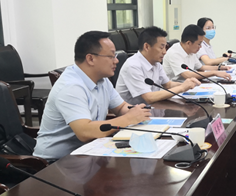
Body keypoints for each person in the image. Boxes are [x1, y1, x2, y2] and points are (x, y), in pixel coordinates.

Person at [33, 31, 151, 162]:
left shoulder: (102, 80)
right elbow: (84, 132)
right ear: (90, 59)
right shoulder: (70, 87)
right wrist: (129, 118)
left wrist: (137, 112)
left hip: (88, 151)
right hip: (57, 162)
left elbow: (121, 107)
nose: (116, 60)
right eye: (111, 56)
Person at [116, 26, 200, 104]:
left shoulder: (156, 63)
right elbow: (149, 97)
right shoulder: (133, 66)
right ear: (147, 47)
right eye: (161, 47)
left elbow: (168, 85)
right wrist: (182, 88)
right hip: (131, 112)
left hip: (151, 107)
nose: (165, 52)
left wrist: (187, 84)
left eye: (165, 47)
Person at [163, 24, 233, 81]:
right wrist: (214, 73)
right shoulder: (174, 53)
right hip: (174, 88)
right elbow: (187, 75)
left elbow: (201, 67)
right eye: (199, 44)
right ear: (189, 43)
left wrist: (221, 68)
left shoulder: (190, 50)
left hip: (188, 84)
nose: (200, 47)